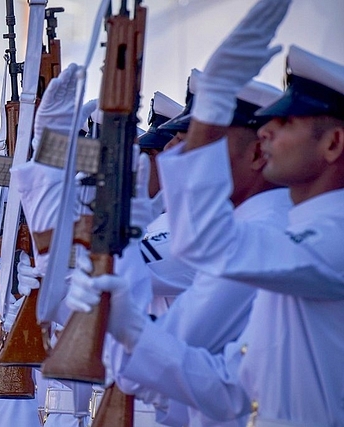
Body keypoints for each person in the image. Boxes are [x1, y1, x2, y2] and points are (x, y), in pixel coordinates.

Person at [66, 0, 344, 424]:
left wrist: (214, 103)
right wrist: (130, 329)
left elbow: (205, 242)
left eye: (288, 122)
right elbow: (230, 388)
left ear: (333, 145)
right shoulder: (295, 239)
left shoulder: (330, 237)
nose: (268, 130)